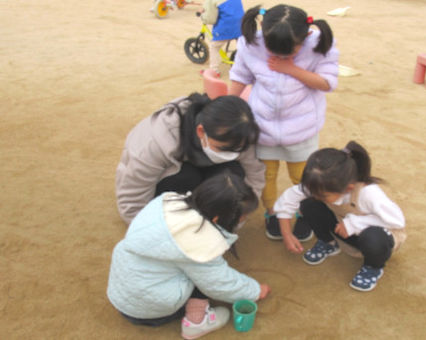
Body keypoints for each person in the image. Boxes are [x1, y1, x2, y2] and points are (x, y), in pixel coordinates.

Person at [107, 172, 271, 339]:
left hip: (121, 291)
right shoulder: (199, 244)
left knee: (192, 268)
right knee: (203, 276)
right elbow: (220, 283)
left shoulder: (167, 202)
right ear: (217, 218)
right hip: (150, 310)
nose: (245, 219)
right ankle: (197, 323)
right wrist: (255, 291)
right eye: (243, 216)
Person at [228, 4, 339, 242]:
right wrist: (223, 106)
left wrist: (291, 69)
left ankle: (302, 211)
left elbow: (327, 83)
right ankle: (273, 213)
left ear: (306, 35)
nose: (279, 57)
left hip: (302, 130)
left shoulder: (319, 44)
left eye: (290, 51)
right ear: (263, 33)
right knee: (265, 176)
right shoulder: (251, 43)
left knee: (302, 177)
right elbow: (239, 77)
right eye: (273, 51)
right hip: (263, 128)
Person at [273, 141, 406, 292]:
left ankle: (373, 267)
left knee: (373, 238)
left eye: (323, 195)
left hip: (377, 237)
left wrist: (354, 224)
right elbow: (289, 199)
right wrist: (287, 234)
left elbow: (397, 221)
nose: (316, 195)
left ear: (348, 188)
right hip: (342, 228)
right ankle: (329, 242)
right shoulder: (321, 185)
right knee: (309, 204)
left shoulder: (369, 193)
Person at [115, 93, 265, 225]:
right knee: (187, 177)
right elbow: (131, 204)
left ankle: (211, 218)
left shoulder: (240, 135)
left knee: (233, 175)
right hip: (174, 178)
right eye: (223, 149)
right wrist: (158, 234)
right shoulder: (154, 144)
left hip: (203, 170)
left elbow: (255, 176)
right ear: (201, 131)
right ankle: (180, 217)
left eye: (236, 150)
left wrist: (237, 216)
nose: (231, 153)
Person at [200, 0, 244, 77]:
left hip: (227, 27)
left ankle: (214, 71)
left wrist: (202, 15)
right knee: (242, 46)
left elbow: (211, 19)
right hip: (242, 24)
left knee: (214, 47)